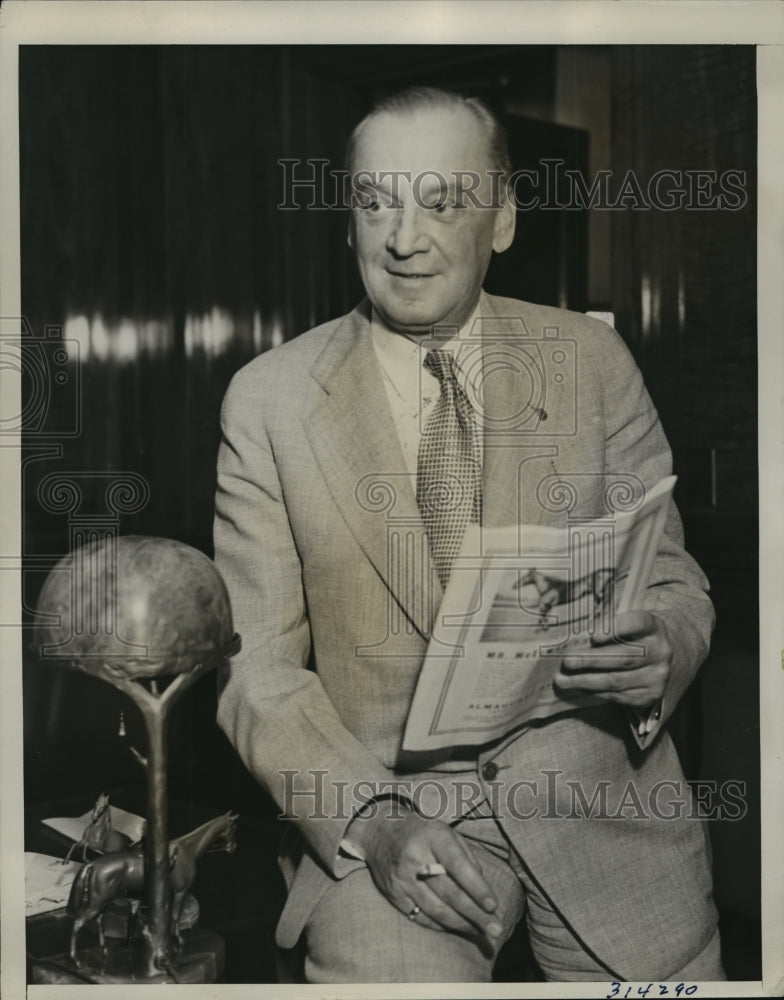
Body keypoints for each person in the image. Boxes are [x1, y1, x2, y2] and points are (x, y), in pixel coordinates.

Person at [214, 87, 724, 983]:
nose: (403, 239)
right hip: (392, 819)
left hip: (598, 801)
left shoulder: (592, 362)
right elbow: (255, 672)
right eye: (377, 203)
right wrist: (373, 821)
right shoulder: (270, 401)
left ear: (504, 220)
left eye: (443, 202)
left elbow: (674, 584)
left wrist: (660, 650)